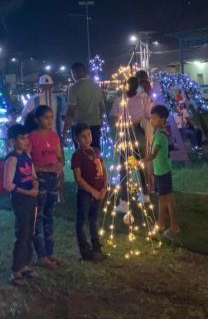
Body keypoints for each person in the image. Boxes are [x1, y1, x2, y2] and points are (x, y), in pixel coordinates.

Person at [25, 105, 64, 269]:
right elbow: (28, 162)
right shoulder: (32, 138)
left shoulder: (55, 137)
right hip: (39, 180)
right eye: (46, 117)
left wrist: (59, 167)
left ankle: (50, 252)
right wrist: (44, 169)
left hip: (52, 180)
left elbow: (60, 157)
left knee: (49, 214)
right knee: (38, 215)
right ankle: (41, 255)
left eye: (51, 117)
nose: (49, 121)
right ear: (37, 119)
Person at [3, 125, 39, 286]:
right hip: (21, 200)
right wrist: (27, 192)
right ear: (13, 141)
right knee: (23, 233)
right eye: (22, 138)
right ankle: (16, 270)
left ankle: (25, 264)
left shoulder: (27, 157)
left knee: (30, 232)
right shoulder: (12, 159)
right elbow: (8, 184)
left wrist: (35, 186)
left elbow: (32, 175)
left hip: (31, 199)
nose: (26, 141)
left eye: (26, 137)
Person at [109, 76, 151, 211]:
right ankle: (145, 194)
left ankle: (124, 201)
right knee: (140, 164)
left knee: (124, 167)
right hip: (139, 132)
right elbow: (148, 114)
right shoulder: (142, 99)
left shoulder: (119, 100)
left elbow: (115, 120)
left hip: (126, 133)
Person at [71, 123, 108, 262]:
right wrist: (92, 191)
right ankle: (85, 251)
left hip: (99, 192)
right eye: (83, 137)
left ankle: (97, 247)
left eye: (89, 135)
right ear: (76, 139)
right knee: (81, 221)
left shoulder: (96, 151)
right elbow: (78, 178)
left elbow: (103, 170)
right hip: (86, 194)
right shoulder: (77, 155)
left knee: (94, 220)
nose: (87, 139)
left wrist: (104, 187)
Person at [145, 104, 180, 236]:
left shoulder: (160, 135)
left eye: (154, 118)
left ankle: (174, 226)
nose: (151, 120)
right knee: (162, 199)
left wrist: (142, 161)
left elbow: (153, 155)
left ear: (163, 119)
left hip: (163, 173)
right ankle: (160, 224)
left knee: (168, 199)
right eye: (151, 117)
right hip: (160, 172)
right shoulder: (159, 133)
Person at [63, 62, 106, 149]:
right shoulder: (97, 87)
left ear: (75, 73)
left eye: (72, 74)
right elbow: (101, 108)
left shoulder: (73, 89)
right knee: (95, 153)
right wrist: (100, 123)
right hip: (95, 125)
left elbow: (71, 111)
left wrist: (64, 131)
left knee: (81, 155)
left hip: (80, 127)